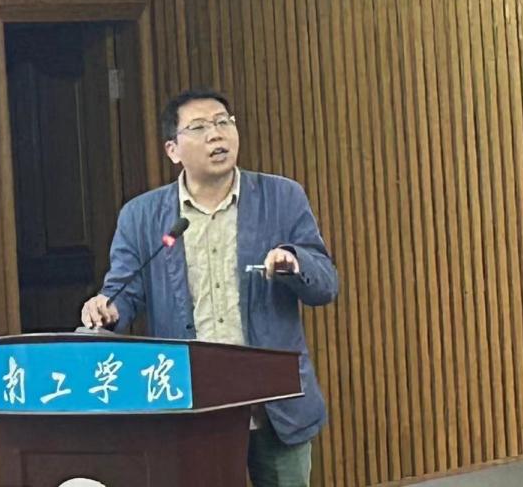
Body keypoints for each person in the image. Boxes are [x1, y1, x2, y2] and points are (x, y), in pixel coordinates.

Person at [81, 89, 338, 487]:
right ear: (173, 149)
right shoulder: (142, 216)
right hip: (192, 409)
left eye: (223, 122)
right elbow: (123, 292)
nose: (216, 135)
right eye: (199, 128)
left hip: (274, 405)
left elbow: (325, 283)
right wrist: (107, 308)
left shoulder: (282, 197)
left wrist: (294, 262)